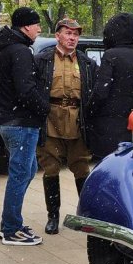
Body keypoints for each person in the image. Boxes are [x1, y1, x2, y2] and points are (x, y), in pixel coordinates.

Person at [0, 7, 49, 246]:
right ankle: (11, 228)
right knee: (20, 173)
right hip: (21, 123)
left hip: (8, 120)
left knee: (29, 168)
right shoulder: (21, 51)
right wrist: (45, 107)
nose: (39, 29)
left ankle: (11, 221)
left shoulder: (2, 49)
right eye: (36, 25)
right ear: (26, 26)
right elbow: (26, 91)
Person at [35, 18, 97, 235]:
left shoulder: (88, 63)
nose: (72, 38)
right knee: (50, 168)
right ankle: (53, 216)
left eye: (76, 35)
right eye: (68, 34)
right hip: (50, 119)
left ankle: (88, 216)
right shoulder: (42, 60)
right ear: (57, 36)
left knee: (81, 168)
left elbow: (93, 94)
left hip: (78, 121)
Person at [86, 12, 133, 160]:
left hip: (107, 122)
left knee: (105, 163)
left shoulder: (111, 55)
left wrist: (88, 110)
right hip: (126, 121)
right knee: (121, 161)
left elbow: (101, 91)